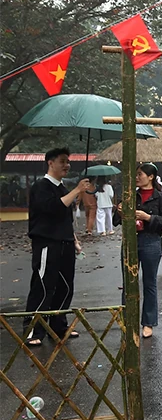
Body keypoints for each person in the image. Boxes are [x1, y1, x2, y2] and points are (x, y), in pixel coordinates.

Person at [23, 148, 90, 346]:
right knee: (43, 286)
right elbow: (53, 208)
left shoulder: (62, 188)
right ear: (50, 163)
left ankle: (58, 326)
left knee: (65, 286)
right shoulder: (41, 187)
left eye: (68, 162)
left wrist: (74, 240)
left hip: (66, 243)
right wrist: (77, 190)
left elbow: (65, 218)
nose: (66, 165)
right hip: (46, 243)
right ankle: (33, 329)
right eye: (62, 161)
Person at [114, 163, 162, 339]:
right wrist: (119, 212)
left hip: (151, 241)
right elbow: (115, 221)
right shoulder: (130, 196)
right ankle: (128, 319)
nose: (137, 177)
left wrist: (148, 217)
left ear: (150, 177)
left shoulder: (161, 198)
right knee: (128, 282)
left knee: (149, 283)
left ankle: (148, 323)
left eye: (140, 174)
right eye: (136, 174)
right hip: (130, 241)